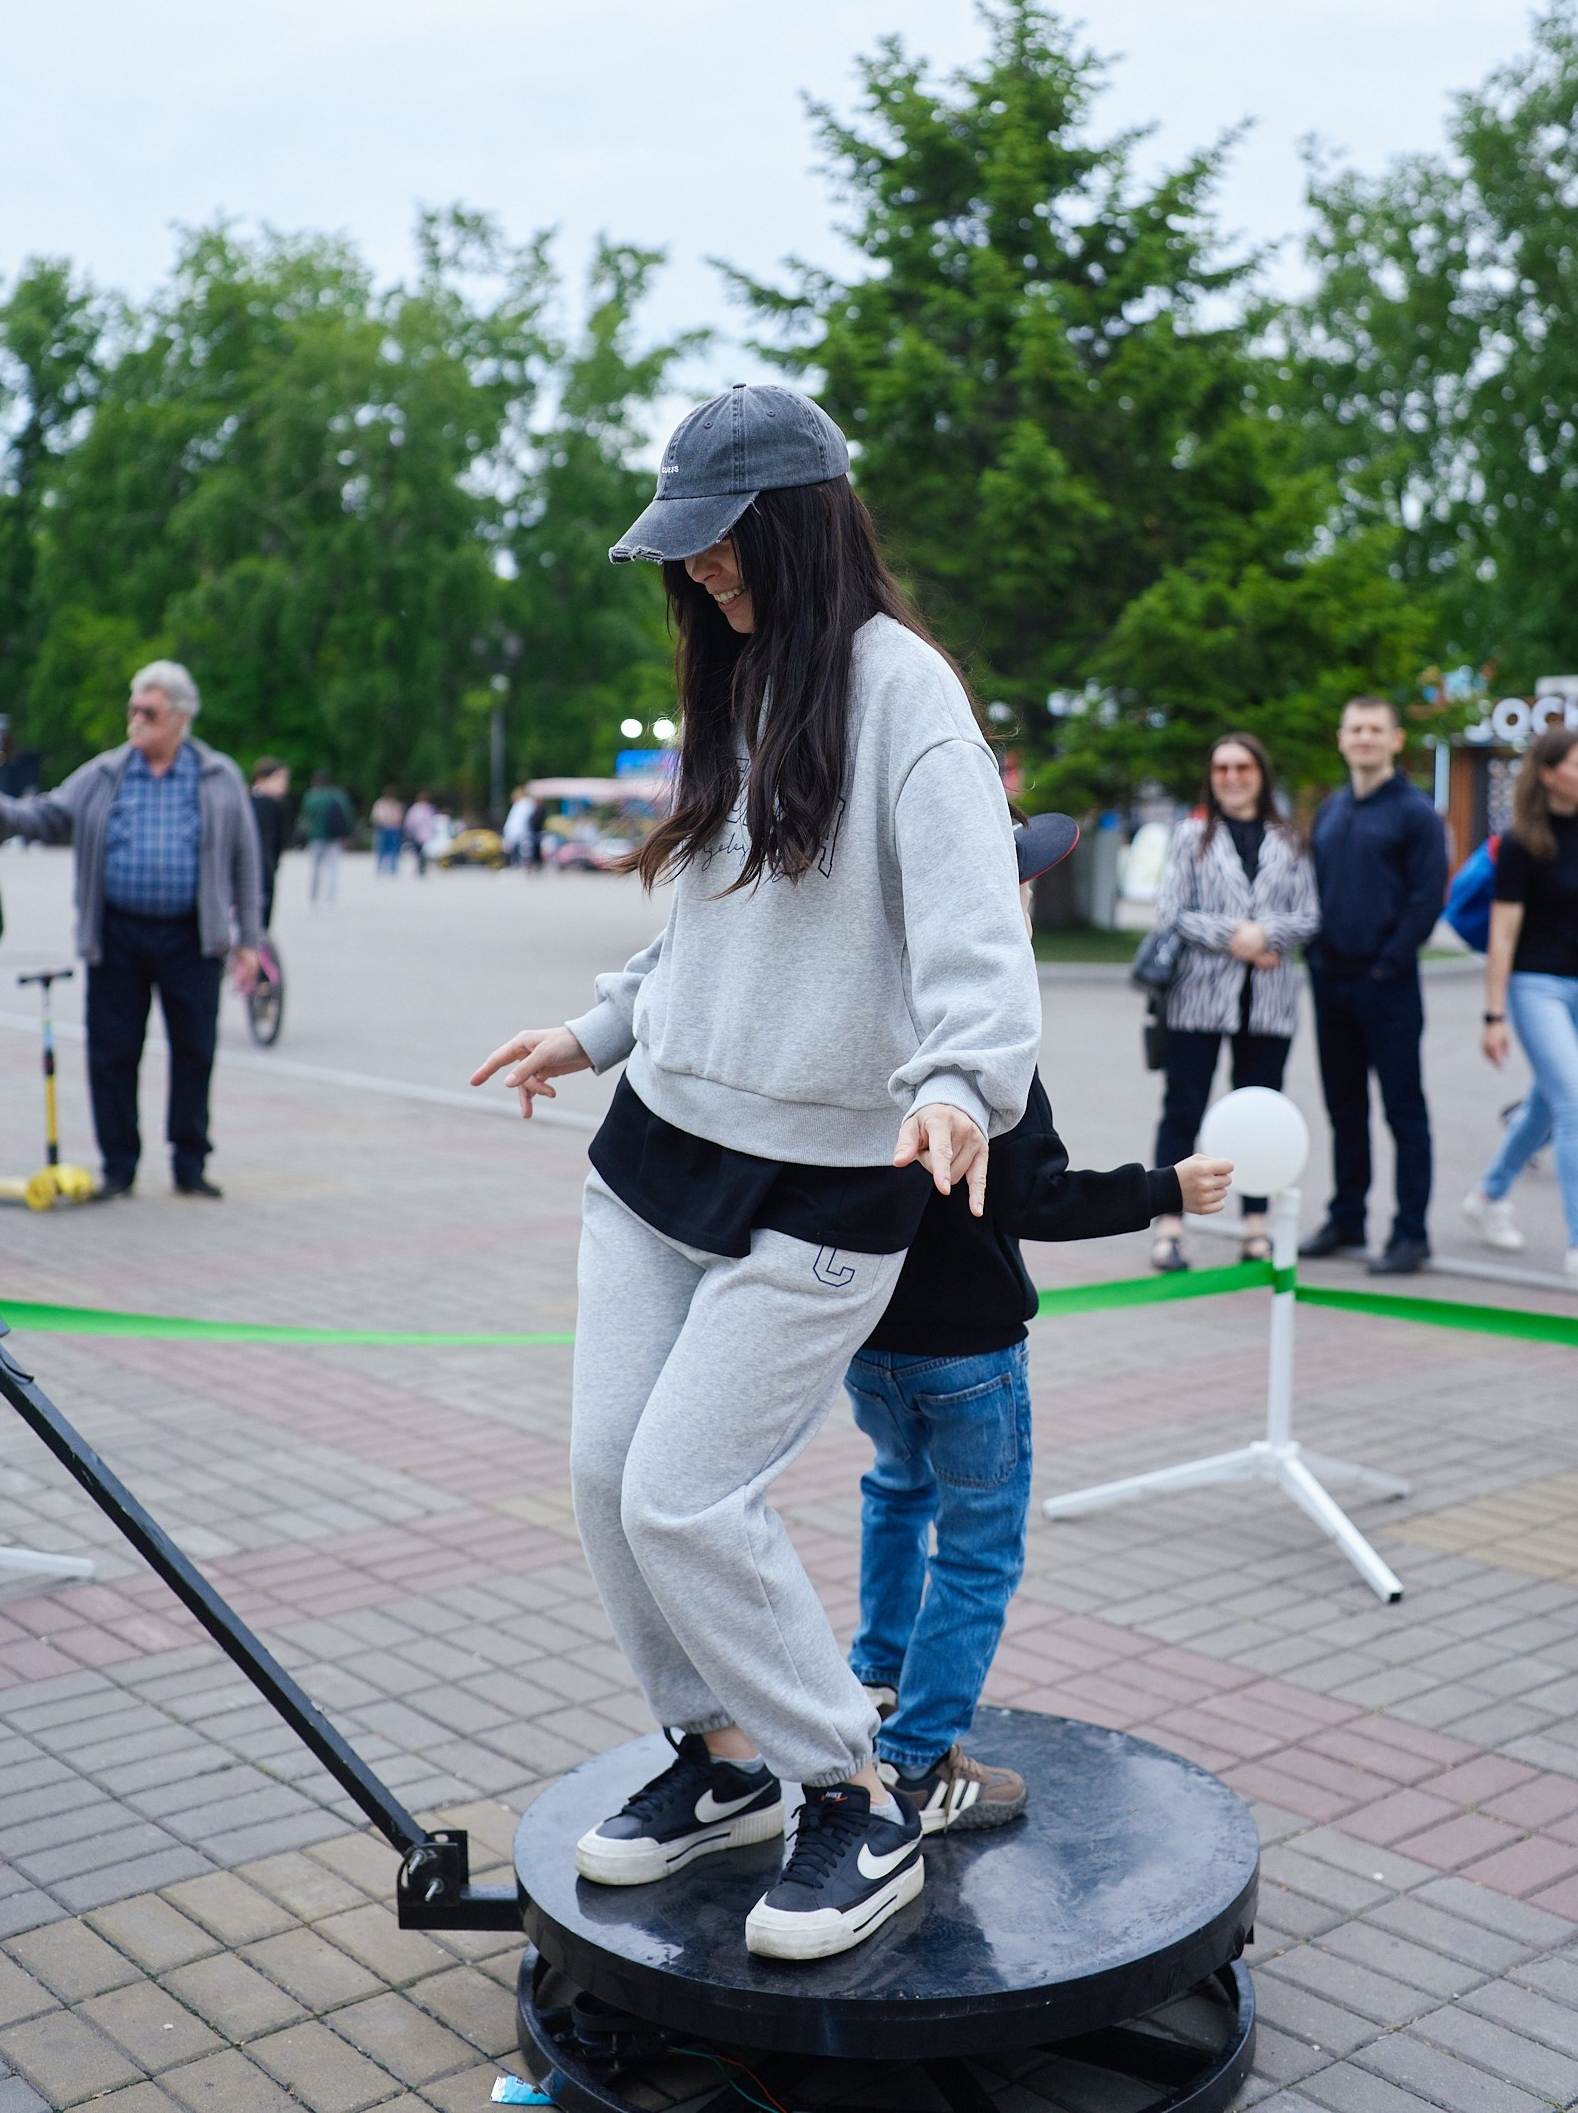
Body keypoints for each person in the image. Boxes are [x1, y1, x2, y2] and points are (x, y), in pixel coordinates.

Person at [469, 382, 1039, 1963]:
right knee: (607, 1480)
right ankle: (715, 1756)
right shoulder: (736, 676)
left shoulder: (903, 693)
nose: (700, 571)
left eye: (720, 543)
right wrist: (594, 1029)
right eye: (683, 550)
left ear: (798, 526)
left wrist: (960, 1086)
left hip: (828, 1184)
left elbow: (978, 938)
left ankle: (850, 1793)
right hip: (659, 1154)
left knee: (684, 1496)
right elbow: (707, 930)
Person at [848, 815, 1234, 1832]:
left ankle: (875, 1681)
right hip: (967, 1348)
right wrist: (1164, 1188)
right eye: (1014, 884)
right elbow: (1035, 1197)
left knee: (896, 1491)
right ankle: (918, 1761)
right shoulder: (987, 1026)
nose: (1023, 901)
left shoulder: (855, 999)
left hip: (864, 1333)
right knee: (976, 1550)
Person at [0, 661, 260, 1200]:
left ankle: (190, 1162)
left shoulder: (219, 776)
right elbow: (49, 815)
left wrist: (249, 943)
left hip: (193, 937)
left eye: (149, 712)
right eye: (133, 709)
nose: (136, 720)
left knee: (194, 1049)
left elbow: (246, 858)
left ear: (181, 719)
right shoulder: (105, 773)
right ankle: (119, 1165)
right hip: (117, 934)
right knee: (112, 1052)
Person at [1144, 733, 1319, 1273]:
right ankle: (1171, 1227)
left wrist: (1265, 933)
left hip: (1268, 1005)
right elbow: (1172, 912)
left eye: (1243, 767)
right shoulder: (1190, 836)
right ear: (1210, 777)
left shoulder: (1289, 841)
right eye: (1221, 768)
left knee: (1260, 1113)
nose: (1232, 777)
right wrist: (1237, 937)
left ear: (1261, 774)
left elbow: (1309, 915)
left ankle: (1256, 1227)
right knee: (1184, 1109)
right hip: (1197, 999)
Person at [1462, 729, 1578, 1284]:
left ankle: (1488, 1196)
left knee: (1546, 1104)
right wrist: (1493, 1017)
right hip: (1537, 987)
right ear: (1549, 773)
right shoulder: (1520, 844)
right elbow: (1502, 936)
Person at [1301, 696, 1448, 1276]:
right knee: (1345, 1110)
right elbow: (1316, 891)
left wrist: (1387, 964)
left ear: (1395, 739)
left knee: (1403, 1111)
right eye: (1355, 728)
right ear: (1342, 739)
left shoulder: (1416, 813)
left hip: (1388, 985)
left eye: (1375, 729)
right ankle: (1348, 1218)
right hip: (1331, 982)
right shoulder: (1332, 810)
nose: (1364, 737)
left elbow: (1426, 898)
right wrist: (1315, 958)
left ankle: (1412, 1232)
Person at [298, 769, 352, 902]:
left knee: (315, 869)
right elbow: (347, 815)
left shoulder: (310, 797)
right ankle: (330, 899)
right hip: (333, 837)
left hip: (315, 836)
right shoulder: (337, 796)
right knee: (332, 869)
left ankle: (313, 898)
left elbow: (305, 818)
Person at [250, 758, 291, 929]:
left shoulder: (272, 804)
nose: (283, 783)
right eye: (278, 778)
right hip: (260, 868)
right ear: (262, 779)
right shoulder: (261, 804)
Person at [370, 786, 405, 875]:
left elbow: (399, 816)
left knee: (394, 849)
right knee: (381, 849)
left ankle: (393, 868)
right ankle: (380, 867)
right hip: (383, 828)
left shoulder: (396, 804)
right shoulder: (380, 803)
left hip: (393, 828)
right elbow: (376, 816)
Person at [502, 785, 538, 869]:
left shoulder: (525, 803)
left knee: (519, 849)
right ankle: (523, 864)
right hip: (519, 830)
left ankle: (514, 864)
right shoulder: (521, 804)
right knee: (524, 849)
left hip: (519, 829)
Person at [403, 791, 436, 876]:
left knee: (424, 851)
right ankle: (420, 866)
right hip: (417, 833)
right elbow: (410, 821)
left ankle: (422, 867)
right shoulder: (415, 809)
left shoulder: (429, 808)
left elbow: (433, 821)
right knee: (418, 851)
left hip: (426, 834)